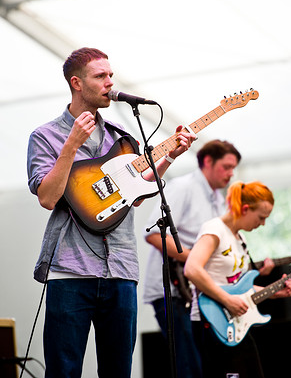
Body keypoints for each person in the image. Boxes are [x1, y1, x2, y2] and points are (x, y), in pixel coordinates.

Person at [27, 47, 196, 378]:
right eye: (100, 76)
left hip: (120, 269)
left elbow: (134, 198)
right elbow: (47, 198)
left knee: (119, 370)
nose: (109, 82)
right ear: (77, 83)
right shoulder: (45, 136)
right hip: (69, 270)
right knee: (64, 369)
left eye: (111, 75)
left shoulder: (123, 135)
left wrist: (169, 156)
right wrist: (71, 146)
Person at [143, 139, 242, 378]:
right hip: (174, 293)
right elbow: (154, 235)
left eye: (233, 168)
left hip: (198, 295)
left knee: (206, 367)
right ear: (208, 161)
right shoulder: (183, 186)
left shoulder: (219, 197)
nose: (231, 173)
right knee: (189, 368)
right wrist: (196, 260)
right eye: (227, 166)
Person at [184, 181, 291, 378]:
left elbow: (237, 287)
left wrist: (274, 292)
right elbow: (192, 269)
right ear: (245, 209)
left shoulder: (239, 239)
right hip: (212, 320)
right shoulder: (214, 229)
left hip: (235, 324)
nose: (262, 224)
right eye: (261, 218)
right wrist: (227, 300)